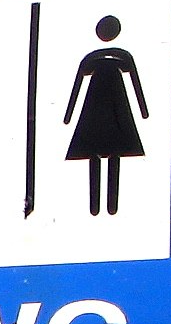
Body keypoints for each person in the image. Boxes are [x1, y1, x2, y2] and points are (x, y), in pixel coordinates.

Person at [61, 15, 149, 216]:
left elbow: (135, 83)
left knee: (109, 154)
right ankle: (97, 207)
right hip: (101, 107)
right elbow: (78, 85)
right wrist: (67, 115)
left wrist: (144, 111)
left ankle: (110, 207)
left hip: (113, 107)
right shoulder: (113, 57)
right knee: (100, 153)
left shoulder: (105, 57)